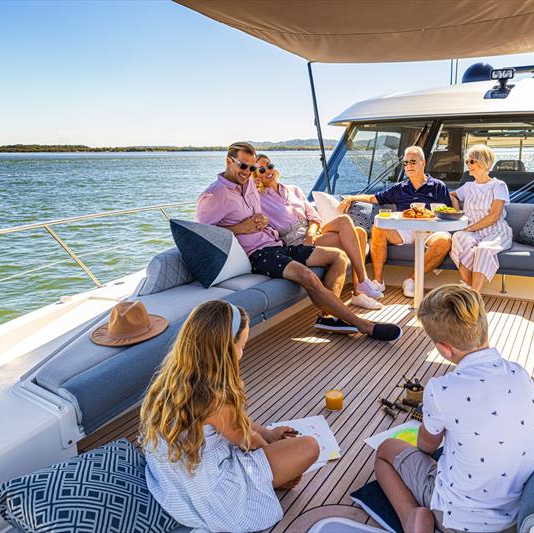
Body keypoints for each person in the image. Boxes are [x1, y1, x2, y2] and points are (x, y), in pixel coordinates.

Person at [374, 285, 534, 533]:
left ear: (444, 348)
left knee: (386, 450)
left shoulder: (441, 389)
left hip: (457, 519)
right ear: (485, 326)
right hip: (514, 517)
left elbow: (426, 447)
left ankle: (412, 517)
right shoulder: (520, 372)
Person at [141, 300, 320, 532]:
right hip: (211, 492)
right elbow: (249, 441)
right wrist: (280, 467)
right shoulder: (213, 396)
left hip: (177, 481)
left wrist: (268, 432)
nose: (243, 351)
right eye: (241, 345)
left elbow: (232, 422)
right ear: (224, 350)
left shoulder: (172, 378)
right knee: (309, 447)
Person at [196, 142, 400, 341]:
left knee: (338, 257)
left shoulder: (248, 183)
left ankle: (329, 318)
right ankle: (365, 326)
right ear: (228, 162)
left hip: (277, 245)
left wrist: (263, 220)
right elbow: (202, 234)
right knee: (308, 276)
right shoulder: (215, 195)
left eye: (251, 168)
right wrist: (239, 229)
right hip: (257, 255)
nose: (247, 172)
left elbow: (261, 214)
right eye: (243, 166)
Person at [255, 153, 384, 310]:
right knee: (358, 234)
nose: (268, 171)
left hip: (312, 232)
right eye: (261, 170)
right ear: (256, 175)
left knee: (353, 226)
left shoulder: (293, 189)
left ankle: (361, 287)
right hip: (295, 241)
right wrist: (251, 185)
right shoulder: (257, 198)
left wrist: (311, 233)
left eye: (270, 166)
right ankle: (360, 289)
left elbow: (313, 215)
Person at [339, 146, 452, 298]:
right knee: (378, 227)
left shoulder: (438, 186)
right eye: (405, 163)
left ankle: (411, 280)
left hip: (431, 230)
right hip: (405, 229)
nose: (408, 166)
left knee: (444, 240)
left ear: (423, 163)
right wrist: (352, 198)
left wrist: (432, 221)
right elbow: (374, 199)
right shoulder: (400, 188)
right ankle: (378, 281)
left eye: (413, 162)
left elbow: (446, 213)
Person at [450, 145, 513, 292]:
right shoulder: (468, 186)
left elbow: (494, 216)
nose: (468, 165)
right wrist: (458, 212)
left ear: (483, 162)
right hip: (472, 231)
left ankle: (473, 295)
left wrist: (469, 227)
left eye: (471, 161)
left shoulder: (498, 186)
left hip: (495, 231)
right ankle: (470, 289)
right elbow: (452, 195)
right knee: (459, 238)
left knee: (483, 249)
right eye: (467, 162)